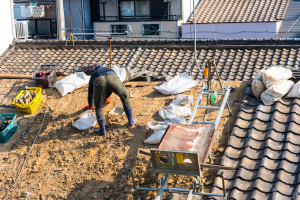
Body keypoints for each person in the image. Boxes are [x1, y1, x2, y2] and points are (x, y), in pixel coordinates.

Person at [85, 64, 136, 135]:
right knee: (125, 97)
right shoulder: (109, 69)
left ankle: (102, 130)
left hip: (100, 80)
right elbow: (110, 88)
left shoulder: (94, 73)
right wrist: (106, 97)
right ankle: (131, 122)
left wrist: (91, 105)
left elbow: (90, 92)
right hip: (113, 78)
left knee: (99, 106)